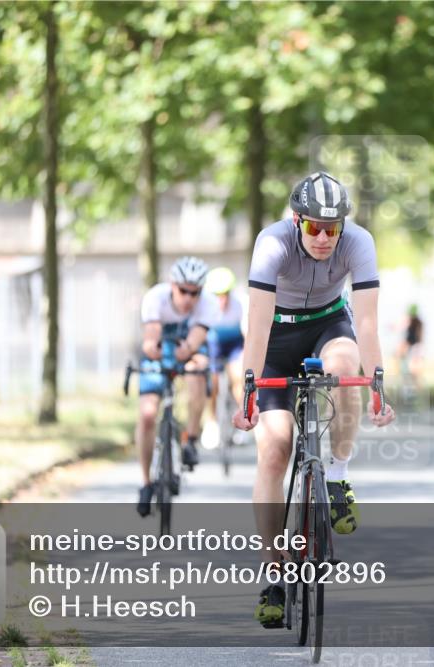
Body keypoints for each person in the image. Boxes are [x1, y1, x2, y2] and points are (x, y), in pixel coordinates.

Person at [231, 171, 396, 627]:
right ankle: (274, 575)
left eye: (333, 227)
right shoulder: (272, 243)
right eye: (314, 227)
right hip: (276, 339)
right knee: (275, 449)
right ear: (296, 220)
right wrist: (247, 389)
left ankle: (338, 477)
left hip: (328, 325)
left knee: (346, 368)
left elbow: (366, 325)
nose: (324, 237)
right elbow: (258, 327)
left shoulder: (358, 242)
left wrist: (378, 384)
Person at [135, 256, 216, 518]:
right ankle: (146, 483)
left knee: (198, 369)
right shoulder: (155, 298)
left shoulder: (208, 304)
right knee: (148, 414)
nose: (189, 298)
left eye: (195, 292)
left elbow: (194, 342)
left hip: (187, 347)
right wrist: (153, 349)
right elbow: (151, 337)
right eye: (183, 291)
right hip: (160, 348)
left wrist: (189, 353)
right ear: (172, 285)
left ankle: (191, 438)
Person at [205, 267, 247, 411]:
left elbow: (246, 332)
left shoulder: (239, 304)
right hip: (214, 343)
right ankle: (212, 420)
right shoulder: (206, 307)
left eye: (225, 295)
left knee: (237, 378)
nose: (221, 300)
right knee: (213, 382)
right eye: (217, 295)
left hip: (234, 344)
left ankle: (243, 411)